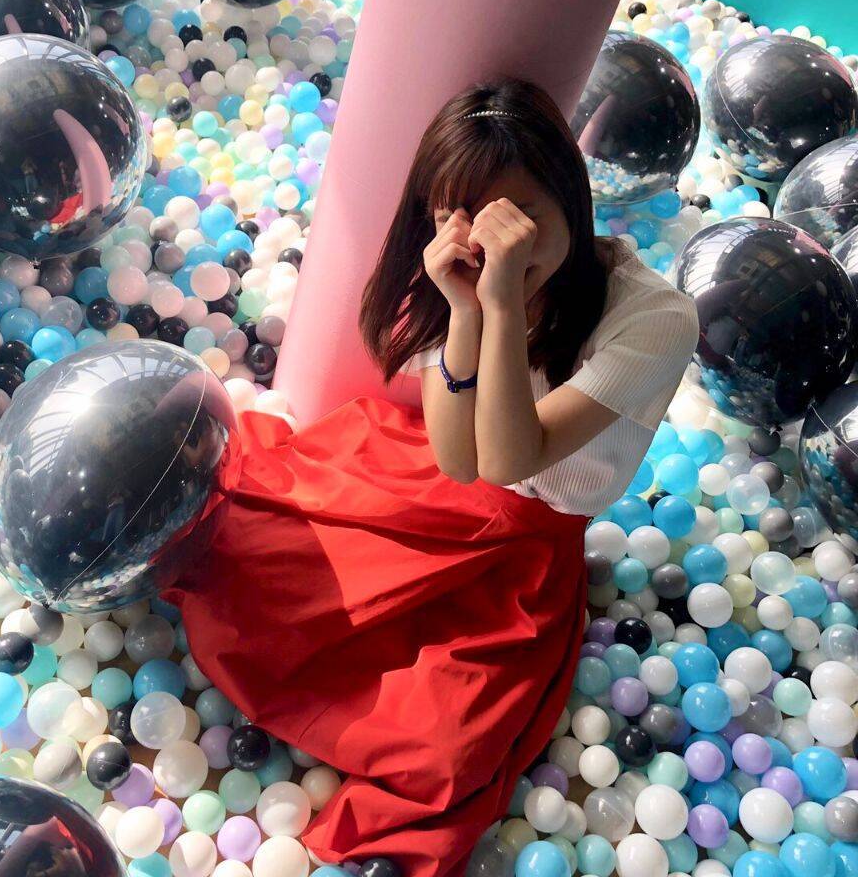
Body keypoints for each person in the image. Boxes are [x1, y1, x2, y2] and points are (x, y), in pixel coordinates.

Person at [162, 76, 700, 877]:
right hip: (442, 488)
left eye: (520, 219)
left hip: (530, 547)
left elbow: (513, 457)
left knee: (439, 745)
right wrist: (469, 307)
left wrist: (502, 300)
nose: (499, 246)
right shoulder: (463, 275)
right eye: (474, 224)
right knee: (243, 562)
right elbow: (458, 461)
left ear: (570, 196)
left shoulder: (654, 316)